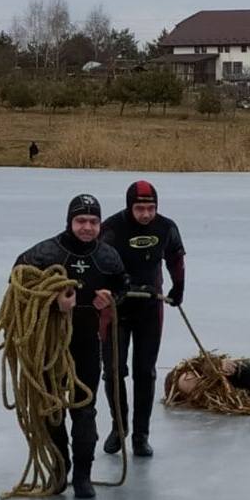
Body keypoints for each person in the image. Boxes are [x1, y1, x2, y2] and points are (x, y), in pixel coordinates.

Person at [14, 194, 127, 499]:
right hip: (51, 347)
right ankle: (59, 470)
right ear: (69, 222)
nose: (87, 227)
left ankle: (83, 476)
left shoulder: (107, 257)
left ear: (100, 224)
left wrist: (111, 299)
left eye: (93, 222)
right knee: (52, 410)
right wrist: (52, 302)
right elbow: (17, 281)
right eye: (81, 221)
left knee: (84, 409)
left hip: (87, 344)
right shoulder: (45, 252)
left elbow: (122, 285)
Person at [98, 180, 186, 457]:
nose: (146, 214)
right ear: (129, 207)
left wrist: (178, 287)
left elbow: (176, 259)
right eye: (140, 208)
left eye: (151, 208)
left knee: (145, 373)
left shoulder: (166, 227)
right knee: (113, 371)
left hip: (150, 308)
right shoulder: (111, 228)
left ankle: (140, 435)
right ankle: (119, 426)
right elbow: (97, 262)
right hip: (116, 310)